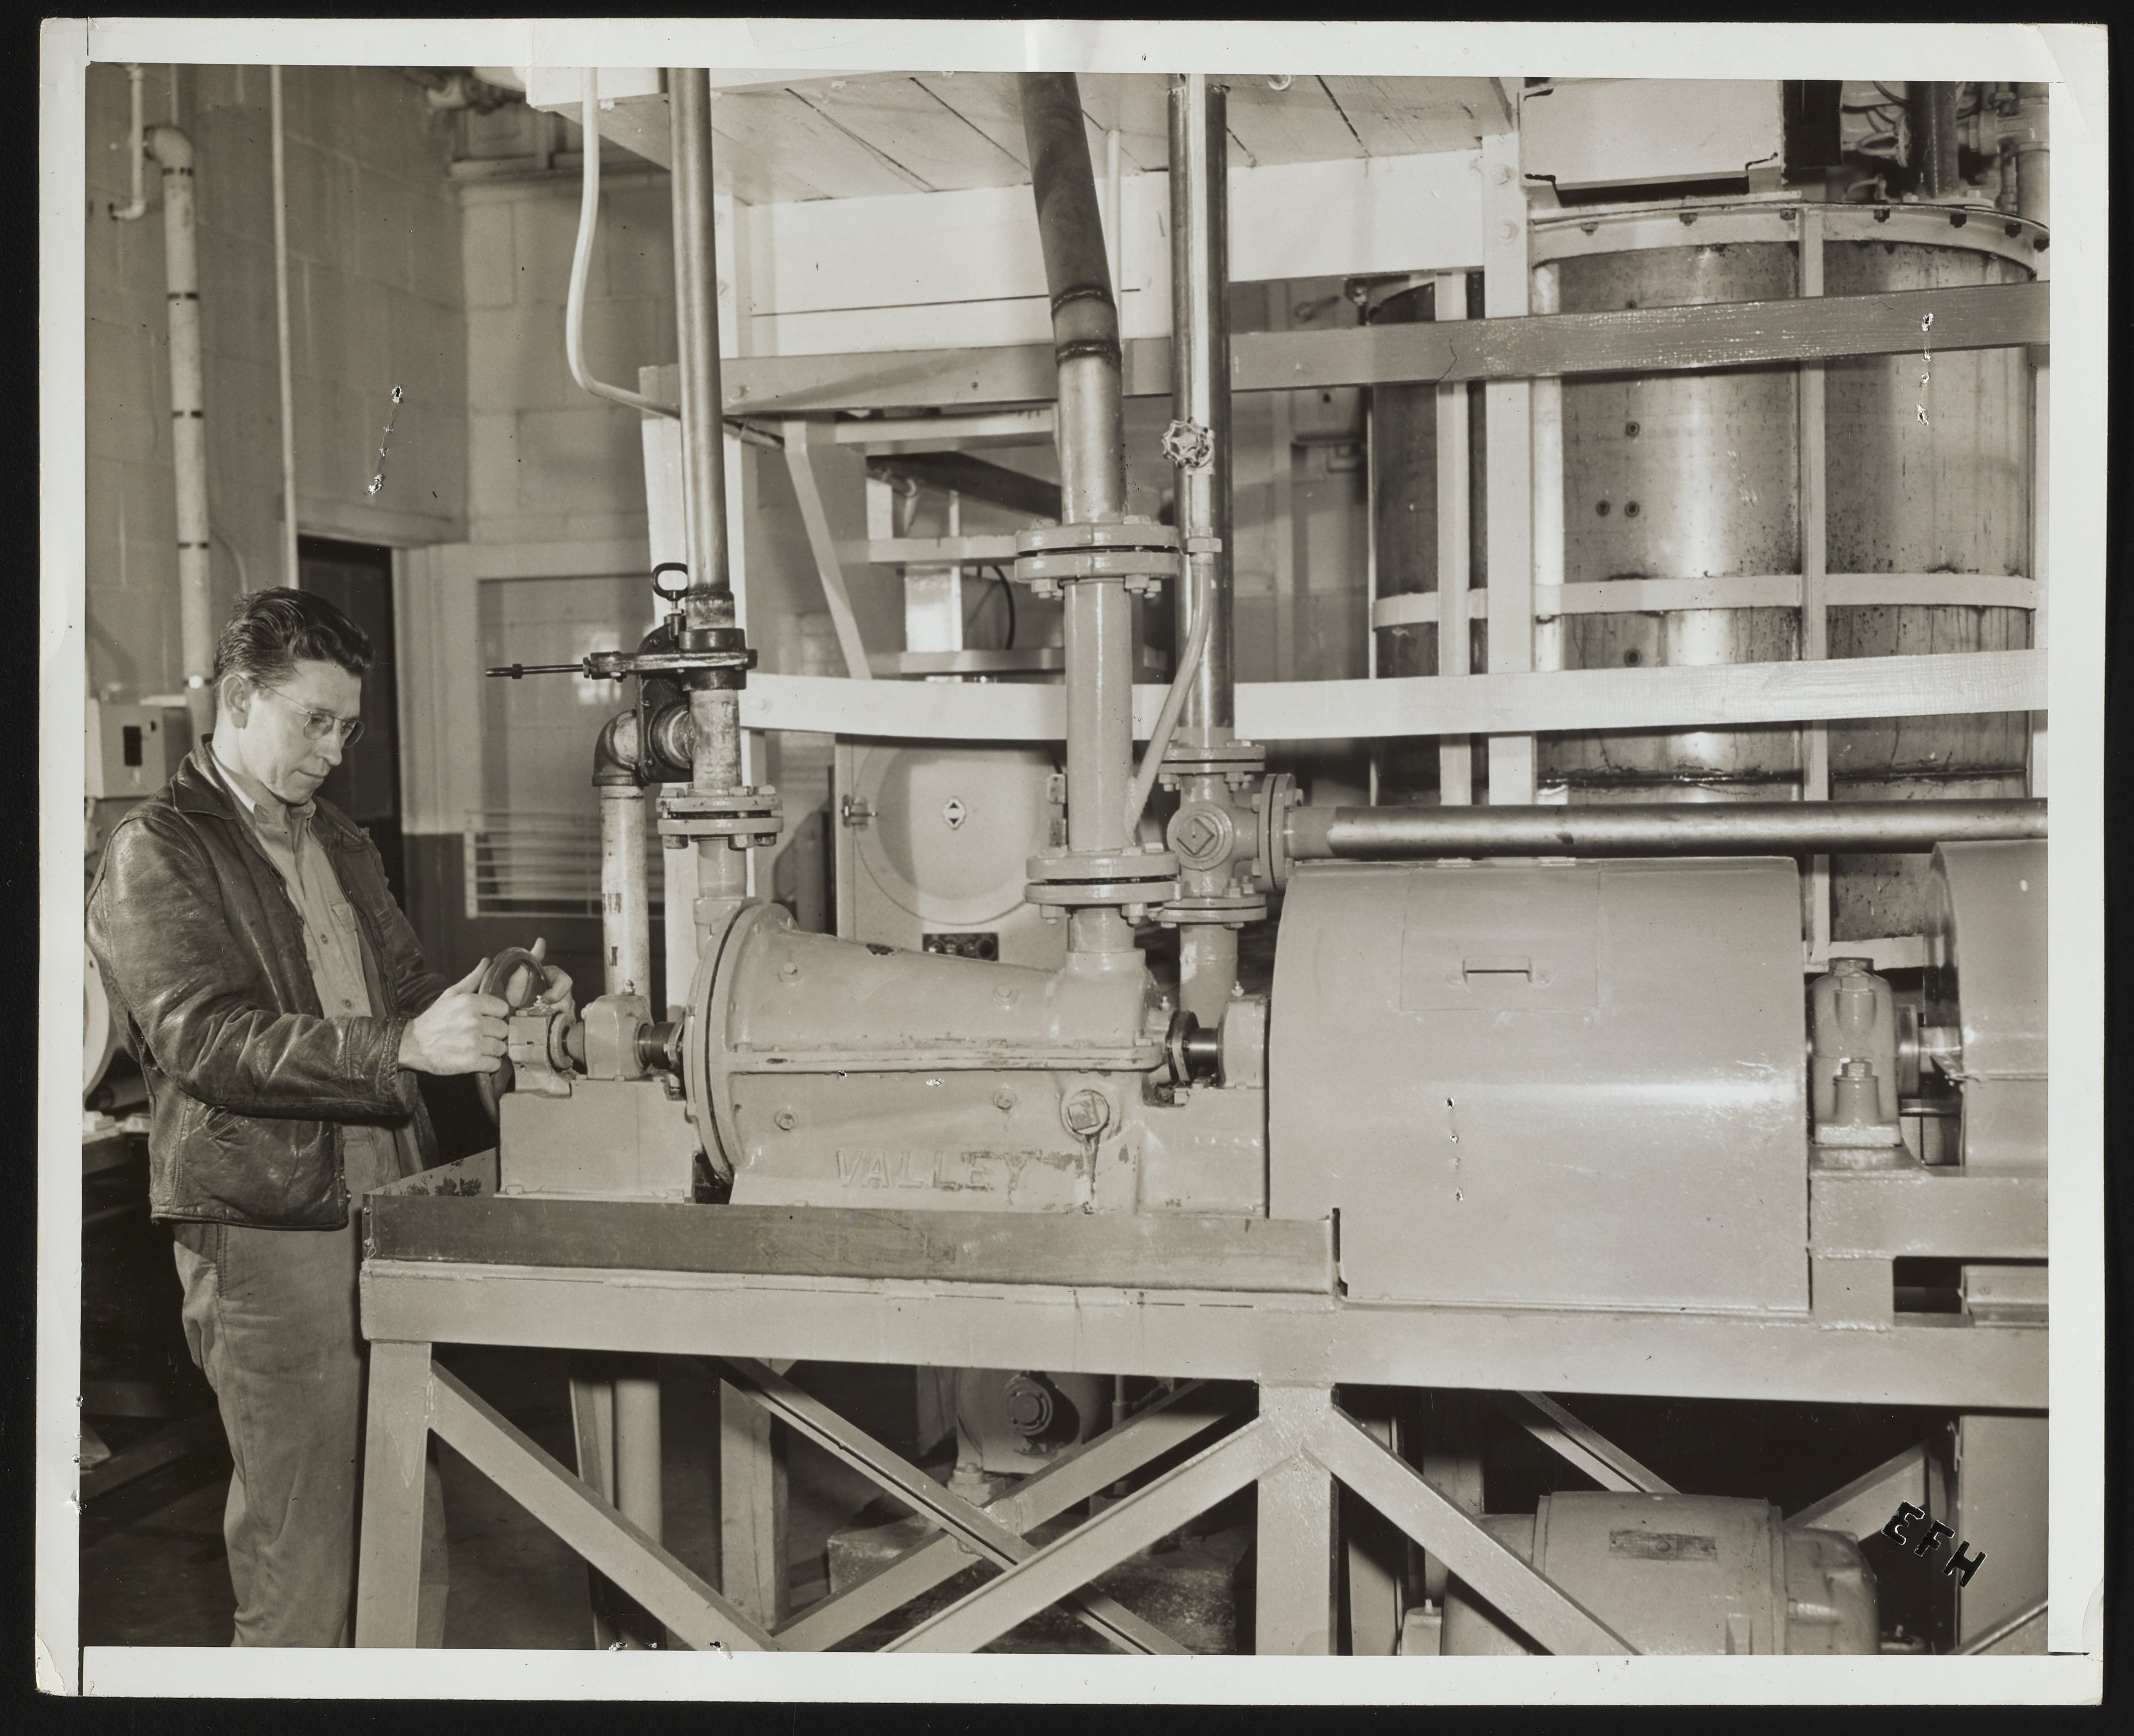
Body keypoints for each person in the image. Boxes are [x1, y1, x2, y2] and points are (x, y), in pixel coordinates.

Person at [86, 587, 567, 1647]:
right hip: (271, 1232)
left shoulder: (335, 839)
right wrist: (403, 1047)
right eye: (315, 721)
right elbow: (208, 1041)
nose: (334, 750)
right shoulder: (157, 849)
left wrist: (501, 998)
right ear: (238, 699)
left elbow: (405, 990)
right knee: (303, 1561)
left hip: (387, 1201)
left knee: (405, 1521)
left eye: (347, 728)